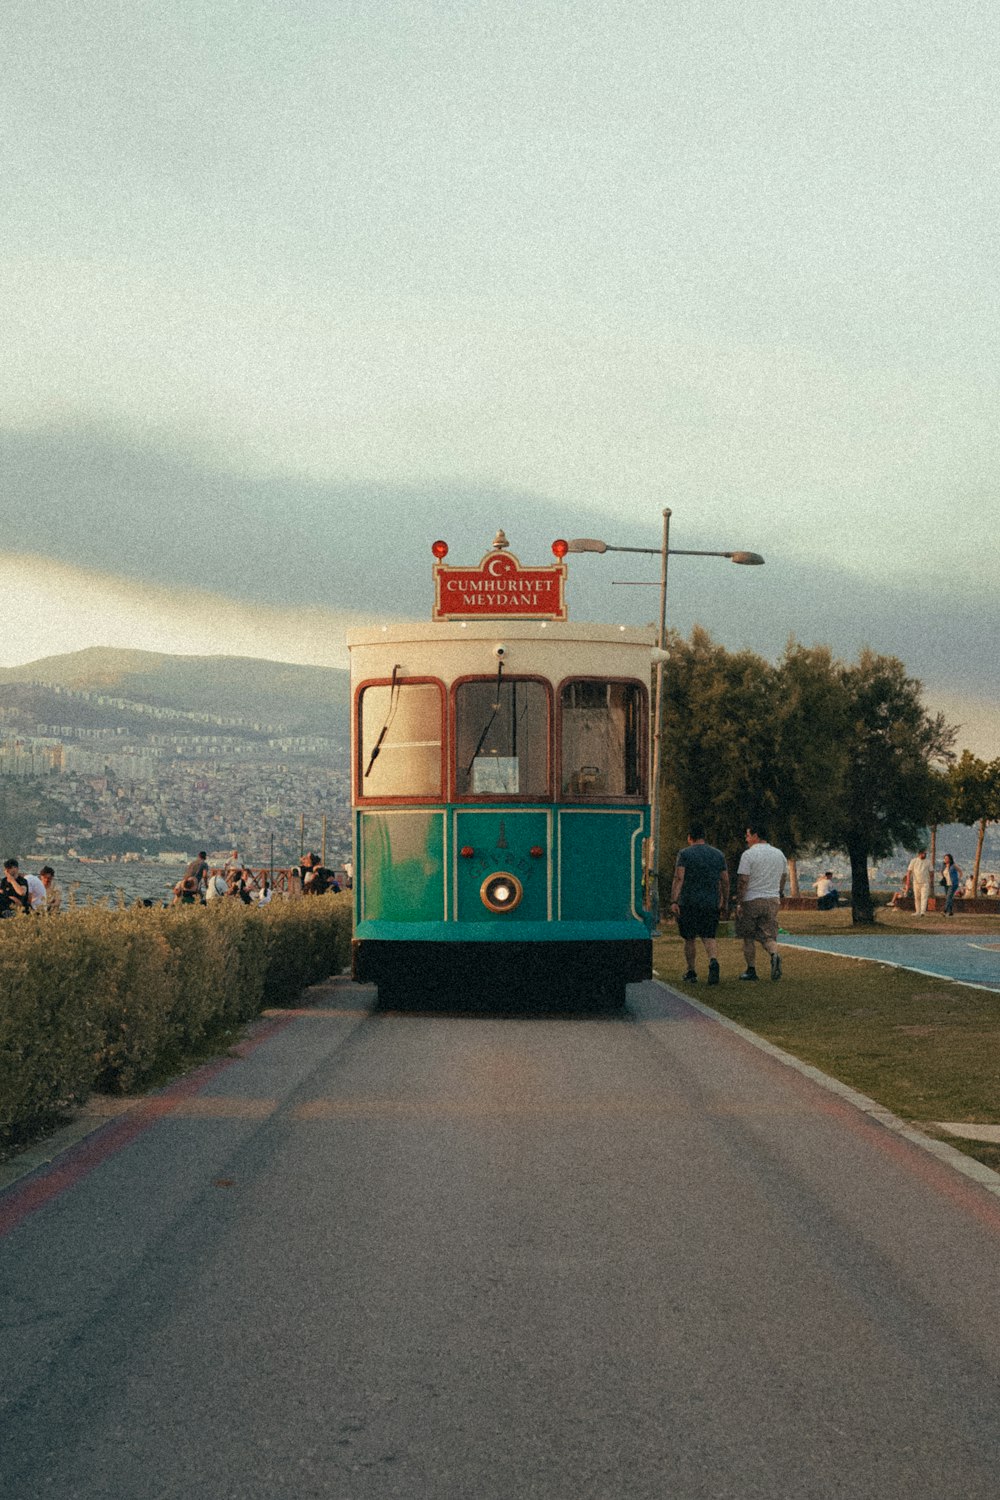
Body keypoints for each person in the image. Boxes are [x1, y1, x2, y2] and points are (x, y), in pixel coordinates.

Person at [670, 821, 729, 985]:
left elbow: (679, 877)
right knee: (709, 935)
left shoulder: (684, 854)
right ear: (704, 837)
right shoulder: (718, 855)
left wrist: (674, 900)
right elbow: (725, 880)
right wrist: (724, 900)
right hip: (711, 902)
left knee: (689, 938)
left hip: (688, 902)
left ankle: (691, 971)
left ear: (690, 837)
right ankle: (713, 960)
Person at [735, 824, 788, 981]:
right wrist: (778, 892)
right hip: (772, 900)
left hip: (752, 899)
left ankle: (751, 969)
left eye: (748, 835)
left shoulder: (748, 855)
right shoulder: (779, 854)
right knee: (768, 935)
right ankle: (774, 954)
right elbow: (783, 877)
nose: (746, 839)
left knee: (748, 936)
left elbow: (743, 879)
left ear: (755, 836)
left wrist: (739, 901)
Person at [904, 848, 933, 916]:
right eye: (923, 853)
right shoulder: (914, 861)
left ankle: (922, 912)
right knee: (917, 897)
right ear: (919, 854)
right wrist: (908, 881)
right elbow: (909, 871)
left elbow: (931, 871)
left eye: (925, 854)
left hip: (925, 882)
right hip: (916, 882)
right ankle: (917, 911)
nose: (925, 855)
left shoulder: (928, 862)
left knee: (924, 897)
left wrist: (930, 880)